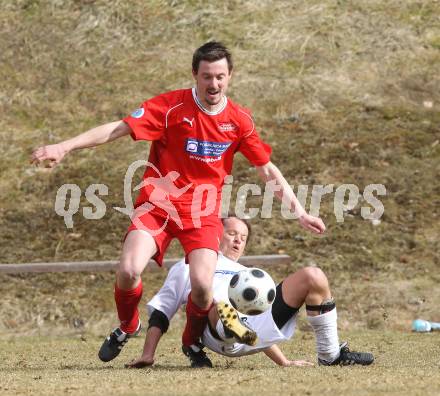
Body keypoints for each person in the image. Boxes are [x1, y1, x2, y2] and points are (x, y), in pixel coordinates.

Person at [30, 42, 326, 366]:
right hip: (157, 206)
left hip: (201, 212)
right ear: (195, 75)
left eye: (220, 77)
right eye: (207, 77)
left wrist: (299, 211)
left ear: (230, 76)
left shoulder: (239, 121)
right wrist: (65, 146)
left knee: (201, 286)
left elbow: (267, 169)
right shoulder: (171, 107)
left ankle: (191, 342)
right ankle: (128, 325)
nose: (213, 84)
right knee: (128, 270)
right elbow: (118, 128)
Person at [126, 216, 373, 368]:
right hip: (217, 333)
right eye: (232, 233)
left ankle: (330, 356)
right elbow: (161, 312)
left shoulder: (249, 275)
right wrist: (148, 354)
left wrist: (284, 362)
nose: (238, 241)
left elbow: (261, 317)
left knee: (313, 276)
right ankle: (236, 326)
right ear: (214, 233)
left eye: (243, 237)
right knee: (215, 299)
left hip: (250, 332)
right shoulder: (188, 265)